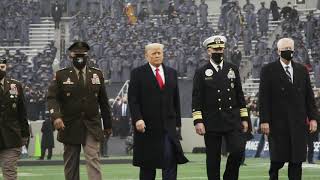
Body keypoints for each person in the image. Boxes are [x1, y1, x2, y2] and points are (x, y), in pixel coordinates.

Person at [47, 41, 112, 180]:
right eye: (77, 54)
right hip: (70, 125)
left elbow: (104, 102)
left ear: (87, 55)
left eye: (82, 54)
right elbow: (52, 98)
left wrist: (108, 125)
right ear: (71, 55)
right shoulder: (61, 76)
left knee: (93, 157)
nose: (80, 57)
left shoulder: (97, 75)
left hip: (91, 124)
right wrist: (56, 117)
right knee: (71, 162)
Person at [259, 38, 318, 180]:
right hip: (277, 123)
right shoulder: (268, 70)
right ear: (278, 51)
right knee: (277, 160)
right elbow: (264, 98)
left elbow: (309, 97)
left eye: (290, 48)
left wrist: (314, 118)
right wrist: (264, 120)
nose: (288, 51)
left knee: (296, 161)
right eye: (285, 49)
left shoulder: (302, 70)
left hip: (298, 123)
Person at [192, 36, 250, 180]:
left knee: (238, 150)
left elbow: (239, 95)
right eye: (216, 49)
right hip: (212, 120)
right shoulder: (202, 72)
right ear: (209, 51)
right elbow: (196, 98)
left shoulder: (232, 68)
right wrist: (198, 121)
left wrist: (244, 117)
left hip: (232, 119)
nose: (219, 52)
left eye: (221, 49)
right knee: (213, 158)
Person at [128, 43, 188, 180]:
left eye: (159, 53)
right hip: (147, 127)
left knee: (170, 162)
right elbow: (133, 99)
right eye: (153, 53)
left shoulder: (171, 73)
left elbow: (175, 99)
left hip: (168, 126)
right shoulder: (137, 73)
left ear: (163, 54)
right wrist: (138, 118)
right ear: (146, 56)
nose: (156, 55)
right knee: (148, 167)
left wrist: (177, 123)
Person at [0, 57, 30, 180]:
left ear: (7, 67)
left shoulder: (16, 85)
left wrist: (25, 134)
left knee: (9, 170)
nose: (0, 69)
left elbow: (22, 112)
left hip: (11, 137)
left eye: (2, 66)